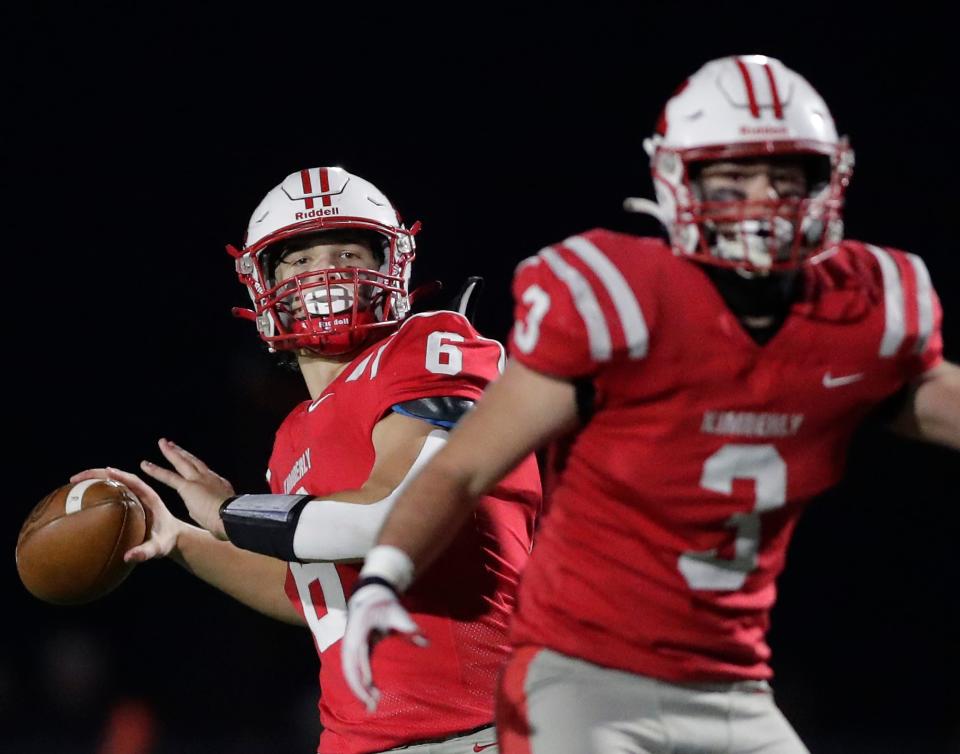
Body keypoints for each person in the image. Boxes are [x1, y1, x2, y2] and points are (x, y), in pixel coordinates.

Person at [340, 56, 960, 754]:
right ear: (677, 179)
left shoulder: (862, 312)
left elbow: (940, 398)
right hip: (580, 678)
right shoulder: (620, 301)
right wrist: (382, 577)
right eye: (731, 179)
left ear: (828, 180)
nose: (761, 201)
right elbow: (462, 467)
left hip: (733, 687)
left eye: (785, 178)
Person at [72, 167, 541, 754]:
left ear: (391, 266)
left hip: (481, 729)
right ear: (261, 283)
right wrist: (181, 538)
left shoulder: (432, 345)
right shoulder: (291, 439)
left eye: (347, 250)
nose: (326, 271)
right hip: (355, 738)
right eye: (299, 259)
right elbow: (316, 594)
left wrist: (230, 512)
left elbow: (391, 517)